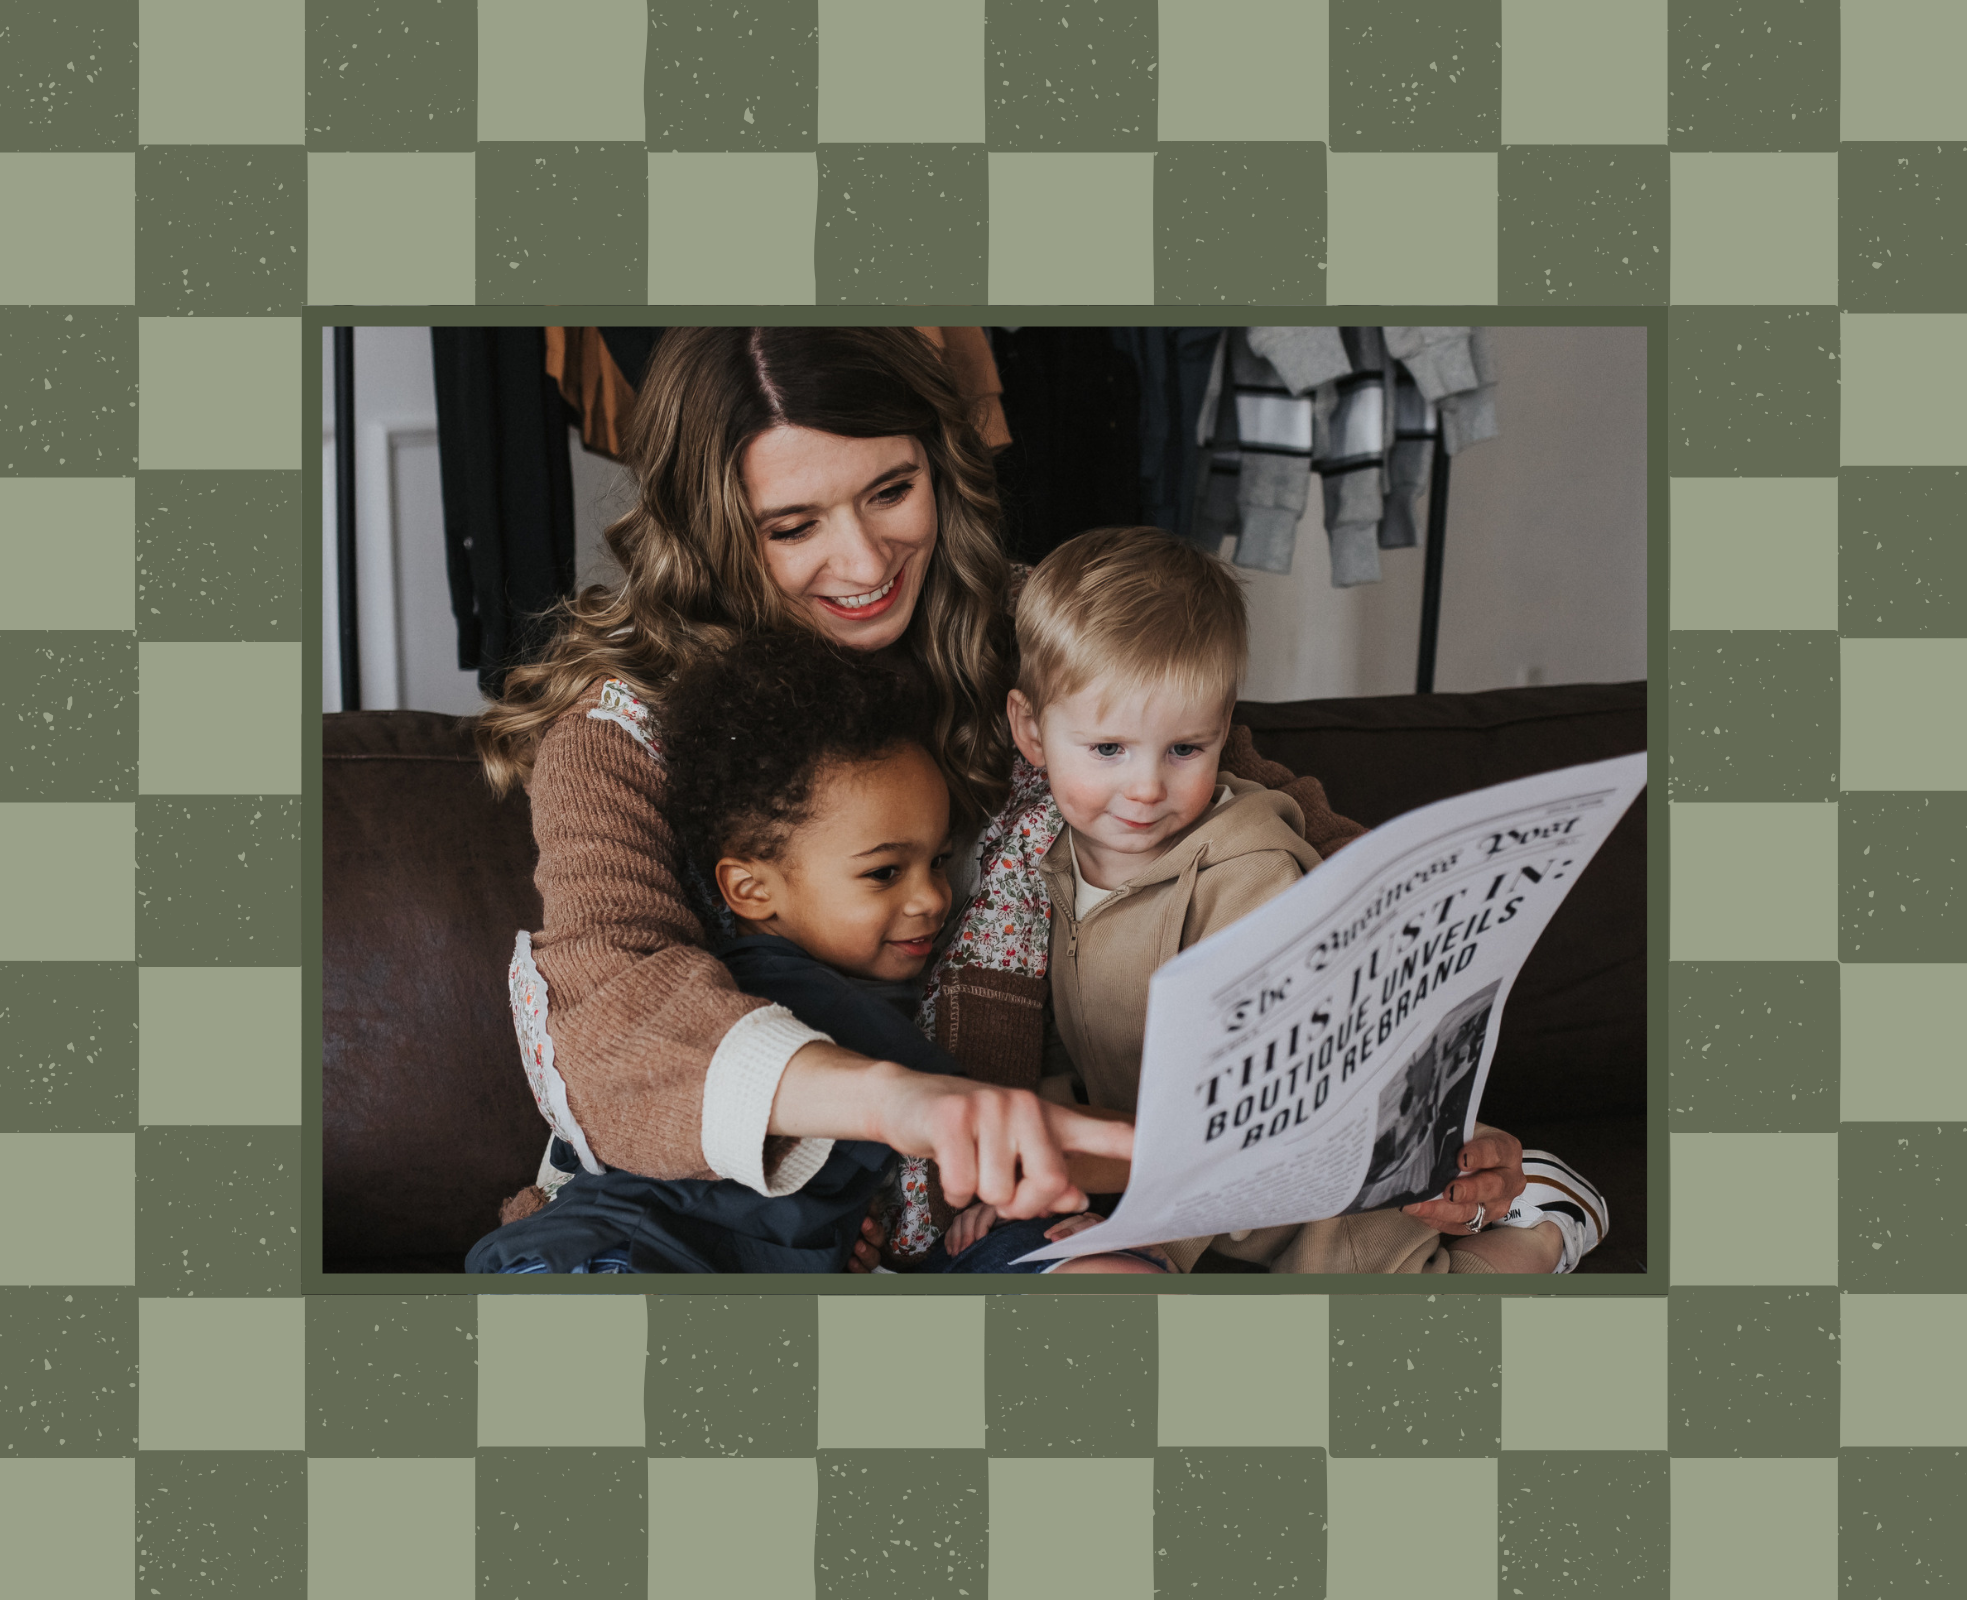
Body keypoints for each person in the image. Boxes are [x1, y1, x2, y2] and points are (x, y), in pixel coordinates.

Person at [472, 328, 1533, 1253]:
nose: (862, 560)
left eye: (891, 491)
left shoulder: (1045, 640)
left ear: (942, 465)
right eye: (791, 525)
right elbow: (613, 1001)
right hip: (714, 1221)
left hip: (1014, 1212)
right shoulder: (623, 723)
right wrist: (912, 1102)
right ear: (709, 526)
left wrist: (1423, 1098)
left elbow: (1305, 840)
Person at [950, 527, 1606, 1274]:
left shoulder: (1248, 869)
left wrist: (1150, 1231)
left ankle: (1549, 1223)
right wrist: (1036, 1182)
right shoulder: (1045, 869)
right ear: (1030, 731)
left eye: (1184, 749)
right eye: (1108, 749)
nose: (1144, 788)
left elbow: (1265, 1094)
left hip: (1318, 1198)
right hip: (1185, 1190)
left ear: (1222, 730)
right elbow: (1071, 1050)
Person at [466, 633, 1162, 1274]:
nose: (929, 898)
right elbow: (997, 1131)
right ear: (750, 888)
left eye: (938, 861)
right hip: (630, 1250)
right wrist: (1166, 1147)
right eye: (883, 872)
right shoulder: (791, 993)